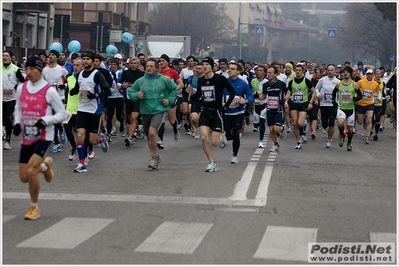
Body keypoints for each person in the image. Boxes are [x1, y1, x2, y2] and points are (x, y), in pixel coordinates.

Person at [13, 56, 68, 219]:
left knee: (30, 171)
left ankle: (34, 207)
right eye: (26, 69)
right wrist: (17, 123)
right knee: (23, 177)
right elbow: (18, 108)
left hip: (44, 136)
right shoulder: (21, 88)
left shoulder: (48, 91)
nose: (28, 72)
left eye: (32, 69)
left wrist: (45, 120)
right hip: (27, 136)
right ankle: (45, 166)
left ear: (40, 70)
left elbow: (62, 114)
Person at [128, 58, 178, 169]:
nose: (149, 68)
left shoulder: (164, 79)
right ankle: (155, 155)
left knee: (152, 132)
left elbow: (174, 90)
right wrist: (136, 95)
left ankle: (153, 157)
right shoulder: (140, 81)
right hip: (145, 111)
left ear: (156, 68)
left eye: (151, 66)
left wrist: (169, 100)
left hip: (159, 110)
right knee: (148, 136)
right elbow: (131, 92)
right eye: (147, 66)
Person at [69, 50, 111, 173]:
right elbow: (77, 88)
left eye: (88, 59)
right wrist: (73, 91)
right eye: (84, 59)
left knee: (93, 140)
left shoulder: (97, 75)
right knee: (80, 134)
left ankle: (101, 139)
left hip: (94, 110)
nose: (85, 61)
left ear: (93, 61)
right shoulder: (80, 74)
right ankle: (81, 163)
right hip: (81, 109)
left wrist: (96, 95)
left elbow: (107, 91)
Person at [192, 57, 236, 172]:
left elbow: (232, 91)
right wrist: (190, 98)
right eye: (203, 64)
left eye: (207, 64)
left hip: (217, 112)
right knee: (203, 138)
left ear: (212, 66)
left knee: (215, 143)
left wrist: (226, 106)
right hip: (205, 112)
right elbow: (198, 97)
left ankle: (223, 136)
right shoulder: (200, 80)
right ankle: (211, 162)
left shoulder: (220, 79)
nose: (204, 66)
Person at [225, 62, 254, 163]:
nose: (229, 70)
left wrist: (245, 101)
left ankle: (234, 156)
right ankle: (229, 135)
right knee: (227, 135)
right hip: (226, 113)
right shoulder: (224, 82)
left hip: (238, 113)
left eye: (232, 69)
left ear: (238, 71)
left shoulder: (243, 84)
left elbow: (251, 96)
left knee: (236, 134)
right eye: (229, 68)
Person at [284, 63, 317, 149]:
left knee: (300, 123)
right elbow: (289, 93)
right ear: (294, 71)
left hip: (303, 104)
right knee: (295, 124)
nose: (298, 72)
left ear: (302, 72)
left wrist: (310, 102)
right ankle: (298, 141)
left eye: (299, 70)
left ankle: (305, 123)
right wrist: (286, 100)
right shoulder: (291, 82)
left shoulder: (306, 81)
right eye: (296, 70)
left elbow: (314, 92)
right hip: (294, 103)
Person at [41, 49, 69, 153]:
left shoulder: (62, 69)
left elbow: (70, 81)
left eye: (53, 55)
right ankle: (57, 143)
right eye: (50, 55)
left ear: (57, 57)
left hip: (59, 98)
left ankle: (61, 132)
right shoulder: (44, 70)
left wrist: (64, 85)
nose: (50, 56)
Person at [332, 66, 363, 151]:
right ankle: (342, 136)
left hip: (350, 109)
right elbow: (334, 92)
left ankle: (349, 142)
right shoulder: (339, 83)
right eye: (344, 72)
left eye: (347, 72)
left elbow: (360, 95)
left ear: (350, 74)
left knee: (350, 129)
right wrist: (333, 101)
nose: (345, 74)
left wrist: (356, 99)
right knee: (340, 123)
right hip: (341, 108)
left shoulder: (354, 84)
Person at [158, 54, 183, 148]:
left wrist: (173, 89)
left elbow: (181, 84)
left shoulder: (172, 72)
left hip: (171, 99)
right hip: (160, 99)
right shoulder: (157, 72)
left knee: (171, 120)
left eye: (163, 61)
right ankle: (160, 141)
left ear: (168, 62)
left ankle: (175, 129)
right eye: (160, 61)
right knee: (160, 120)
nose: (161, 62)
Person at [2, 50, 25, 150]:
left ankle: (7, 140)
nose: (4, 57)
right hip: (1, 98)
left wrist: (18, 86)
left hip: (12, 98)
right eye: (3, 55)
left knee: (7, 118)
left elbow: (24, 81)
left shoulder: (15, 69)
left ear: (11, 58)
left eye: (6, 56)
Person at [120, 57, 145, 147]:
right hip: (128, 98)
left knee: (134, 118)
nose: (133, 65)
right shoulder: (125, 73)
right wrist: (122, 86)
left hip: (138, 99)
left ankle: (130, 137)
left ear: (138, 65)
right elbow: (119, 84)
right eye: (131, 63)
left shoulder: (143, 74)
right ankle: (138, 129)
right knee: (129, 118)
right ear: (129, 64)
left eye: (135, 63)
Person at [263, 65, 288, 152]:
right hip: (269, 108)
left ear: (275, 74)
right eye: (267, 73)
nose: (268, 75)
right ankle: (276, 144)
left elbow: (288, 92)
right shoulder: (265, 85)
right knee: (271, 129)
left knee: (276, 128)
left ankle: (283, 128)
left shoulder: (281, 84)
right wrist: (256, 96)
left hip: (279, 109)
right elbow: (263, 96)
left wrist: (284, 100)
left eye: (270, 73)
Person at [64, 57, 84, 161]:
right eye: (74, 65)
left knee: (81, 132)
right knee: (67, 129)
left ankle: (86, 152)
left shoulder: (85, 78)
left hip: (81, 109)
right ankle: (73, 147)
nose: (75, 67)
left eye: (78, 65)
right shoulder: (69, 77)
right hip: (70, 109)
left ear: (82, 66)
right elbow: (67, 91)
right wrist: (65, 103)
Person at [316, 64, 340, 148]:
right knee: (325, 123)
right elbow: (316, 89)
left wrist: (338, 102)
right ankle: (325, 128)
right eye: (328, 70)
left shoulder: (338, 81)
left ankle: (329, 140)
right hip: (323, 104)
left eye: (331, 70)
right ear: (326, 71)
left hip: (333, 105)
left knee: (332, 122)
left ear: (335, 71)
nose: (330, 72)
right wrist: (319, 95)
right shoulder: (322, 80)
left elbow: (339, 93)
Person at [356, 68, 381, 144]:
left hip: (370, 104)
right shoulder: (360, 82)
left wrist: (379, 98)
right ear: (366, 75)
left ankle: (367, 137)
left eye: (370, 74)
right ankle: (363, 121)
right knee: (360, 121)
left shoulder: (375, 84)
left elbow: (378, 91)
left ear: (373, 75)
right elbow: (355, 90)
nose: (369, 76)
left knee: (370, 120)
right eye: (368, 74)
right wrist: (356, 99)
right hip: (362, 104)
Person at [250, 64, 268, 146]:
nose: (259, 72)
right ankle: (256, 125)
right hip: (256, 104)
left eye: (261, 71)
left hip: (264, 104)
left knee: (262, 122)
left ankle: (261, 141)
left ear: (264, 73)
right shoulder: (252, 81)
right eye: (257, 70)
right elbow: (249, 92)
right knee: (256, 124)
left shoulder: (267, 82)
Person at [187, 63, 204, 140]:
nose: (197, 70)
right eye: (196, 68)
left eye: (199, 69)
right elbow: (191, 87)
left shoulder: (206, 78)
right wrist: (189, 96)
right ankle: (197, 129)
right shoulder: (192, 77)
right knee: (193, 117)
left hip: (204, 101)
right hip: (195, 100)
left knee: (203, 119)